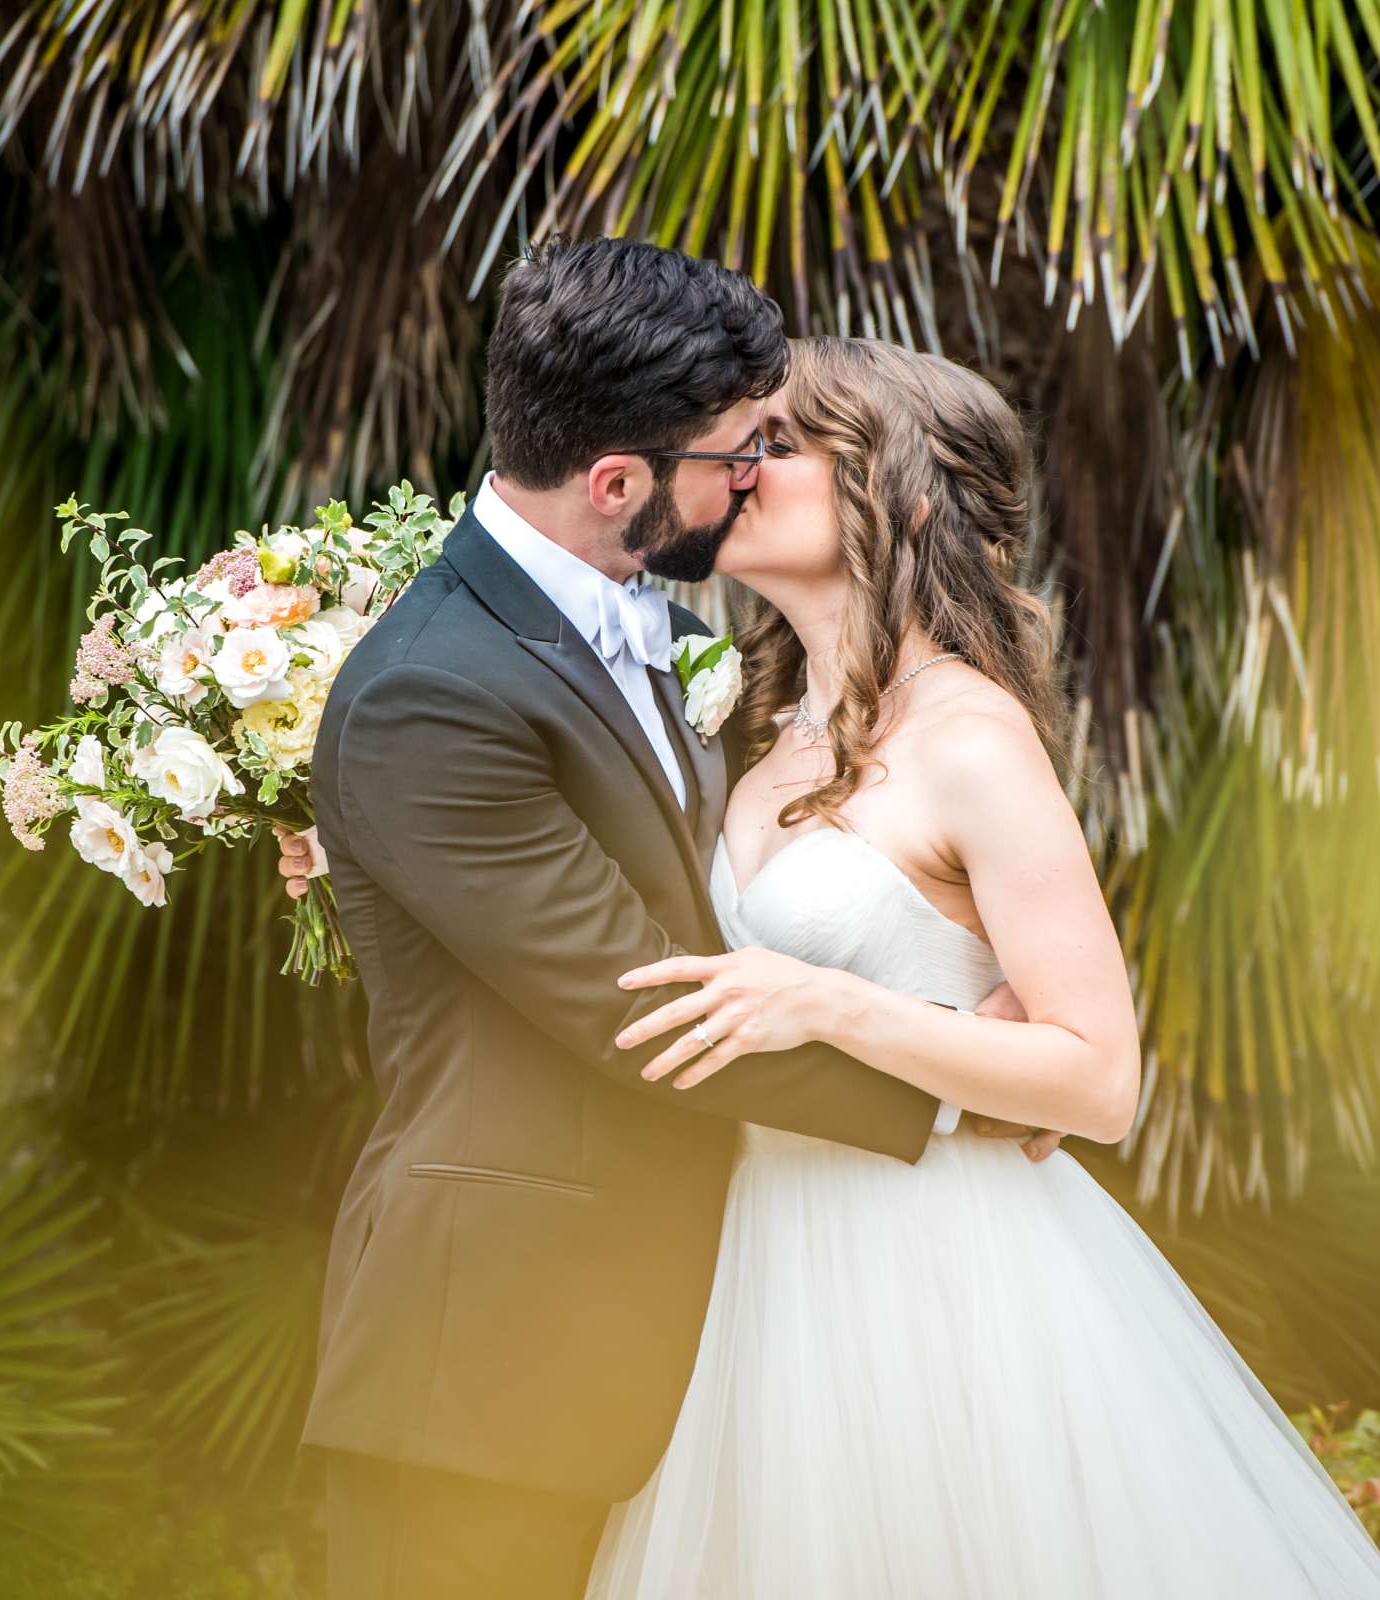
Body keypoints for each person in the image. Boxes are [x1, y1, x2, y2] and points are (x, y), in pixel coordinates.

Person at [273, 240, 1045, 1600]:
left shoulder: (655, 643)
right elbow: (646, 1009)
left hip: (682, 1325)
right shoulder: (431, 692)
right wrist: (958, 1084)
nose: (757, 474)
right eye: (743, 449)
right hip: (491, 1371)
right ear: (620, 483)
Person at [583, 335, 1380, 1597]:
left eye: (782, 447)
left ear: (902, 496)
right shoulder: (756, 741)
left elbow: (1096, 1076)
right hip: (756, 1270)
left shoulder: (970, 737)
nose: (739, 471)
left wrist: (836, 1002)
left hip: (934, 1279)